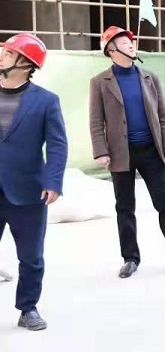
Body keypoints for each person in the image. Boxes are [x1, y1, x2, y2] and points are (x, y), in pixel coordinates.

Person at [89, 26, 165, 279]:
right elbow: (96, 120)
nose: (131, 45)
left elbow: (162, 114)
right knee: (124, 207)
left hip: (151, 150)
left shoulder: (149, 78)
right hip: (119, 152)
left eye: (131, 42)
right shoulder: (100, 82)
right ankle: (130, 258)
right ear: (111, 50)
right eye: (124, 42)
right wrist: (101, 151)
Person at [0, 33, 68, 330]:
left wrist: (53, 182)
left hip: (28, 191)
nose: (1, 56)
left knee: (31, 257)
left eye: (8, 53)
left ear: (26, 64)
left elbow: (57, 144)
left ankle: (28, 308)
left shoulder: (46, 101)